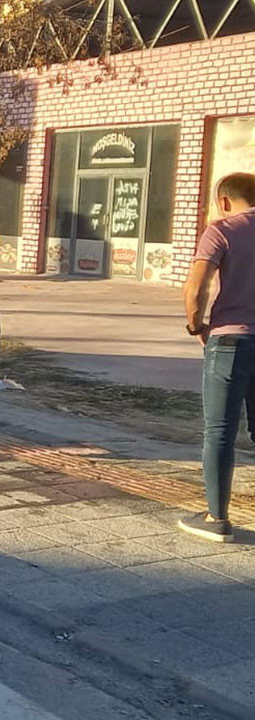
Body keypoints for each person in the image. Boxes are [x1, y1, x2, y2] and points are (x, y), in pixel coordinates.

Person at [179, 172, 255, 543]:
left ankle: (216, 518)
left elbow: (196, 289)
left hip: (231, 341)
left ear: (224, 201)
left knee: (220, 431)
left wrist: (196, 326)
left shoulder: (221, 230)